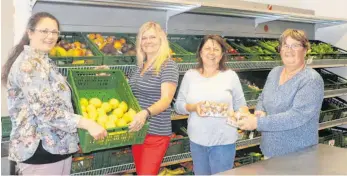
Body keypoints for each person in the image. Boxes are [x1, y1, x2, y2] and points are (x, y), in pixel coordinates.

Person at [1, 12, 107, 175]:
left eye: (54, 32)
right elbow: (46, 111)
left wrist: (92, 74)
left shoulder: (43, 60)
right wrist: (87, 123)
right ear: (30, 32)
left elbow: (57, 88)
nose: (50, 36)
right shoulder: (28, 65)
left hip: (56, 147)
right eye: (44, 31)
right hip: (40, 150)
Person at [237, 29, 324, 159]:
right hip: (270, 150)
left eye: (295, 45)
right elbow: (263, 96)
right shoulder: (275, 72)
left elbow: (297, 116)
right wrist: (260, 110)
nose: (289, 50)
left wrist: (258, 123)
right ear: (280, 50)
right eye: (285, 45)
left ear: (305, 50)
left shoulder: (311, 80)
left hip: (298, 155)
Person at [174, 35, 247, 175]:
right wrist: (194, 107)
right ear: (200, 52)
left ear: (222, 54)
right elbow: (178, 106)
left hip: (223, 142)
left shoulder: (230, 76)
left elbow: (241, 105)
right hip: (197, 141)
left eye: (216, 49)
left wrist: (239, 115)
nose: (211, 52)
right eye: (207, 48)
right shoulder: (190, 76)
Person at [128, 22, 179, 174]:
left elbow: (166, 100)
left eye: (152, 37)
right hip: (138, 130)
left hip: (155, 133)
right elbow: (131, 90)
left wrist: (146, 113)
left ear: (161, 40)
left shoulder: (168, 65)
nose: (148, 41)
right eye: (144, 38)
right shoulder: (140, 66)